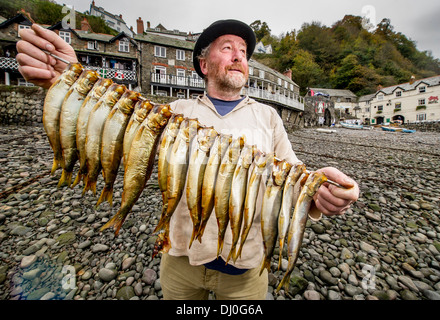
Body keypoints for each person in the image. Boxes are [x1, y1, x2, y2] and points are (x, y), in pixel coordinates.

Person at [16, 19, 359, 300]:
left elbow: (293, 179)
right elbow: (118, 127)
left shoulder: (269, 117)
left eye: (243, 51)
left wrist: (323, 194)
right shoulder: (176, 112)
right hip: (180, 260)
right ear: (204, 64)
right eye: (228, 48)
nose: (239, 56)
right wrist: (70, 79)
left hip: (246, 270)